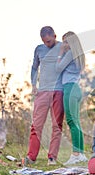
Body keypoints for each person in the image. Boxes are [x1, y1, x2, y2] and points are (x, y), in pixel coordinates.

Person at [25, 26, 64, 166]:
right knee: (36, 125)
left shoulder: (62, 47)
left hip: (58, 91)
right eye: (45, 41)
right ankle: (31, 156)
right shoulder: (39, 49)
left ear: (55, 35)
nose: (48, 44)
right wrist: (33, 84)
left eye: (49, 40)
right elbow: (34, 67)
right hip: (42, 91)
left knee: (56, 125)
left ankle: (52, 157)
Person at [55, 31, 88, 165]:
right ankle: (81, 153)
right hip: (76, 88)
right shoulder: (78, 55)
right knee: (76, 122)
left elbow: (58, 68)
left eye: (65, 42)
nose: (63, 44)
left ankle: (75, 154)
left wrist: (60, 53)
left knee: (71, 121)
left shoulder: (69, 54)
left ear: (71, 42)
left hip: (70, 88)